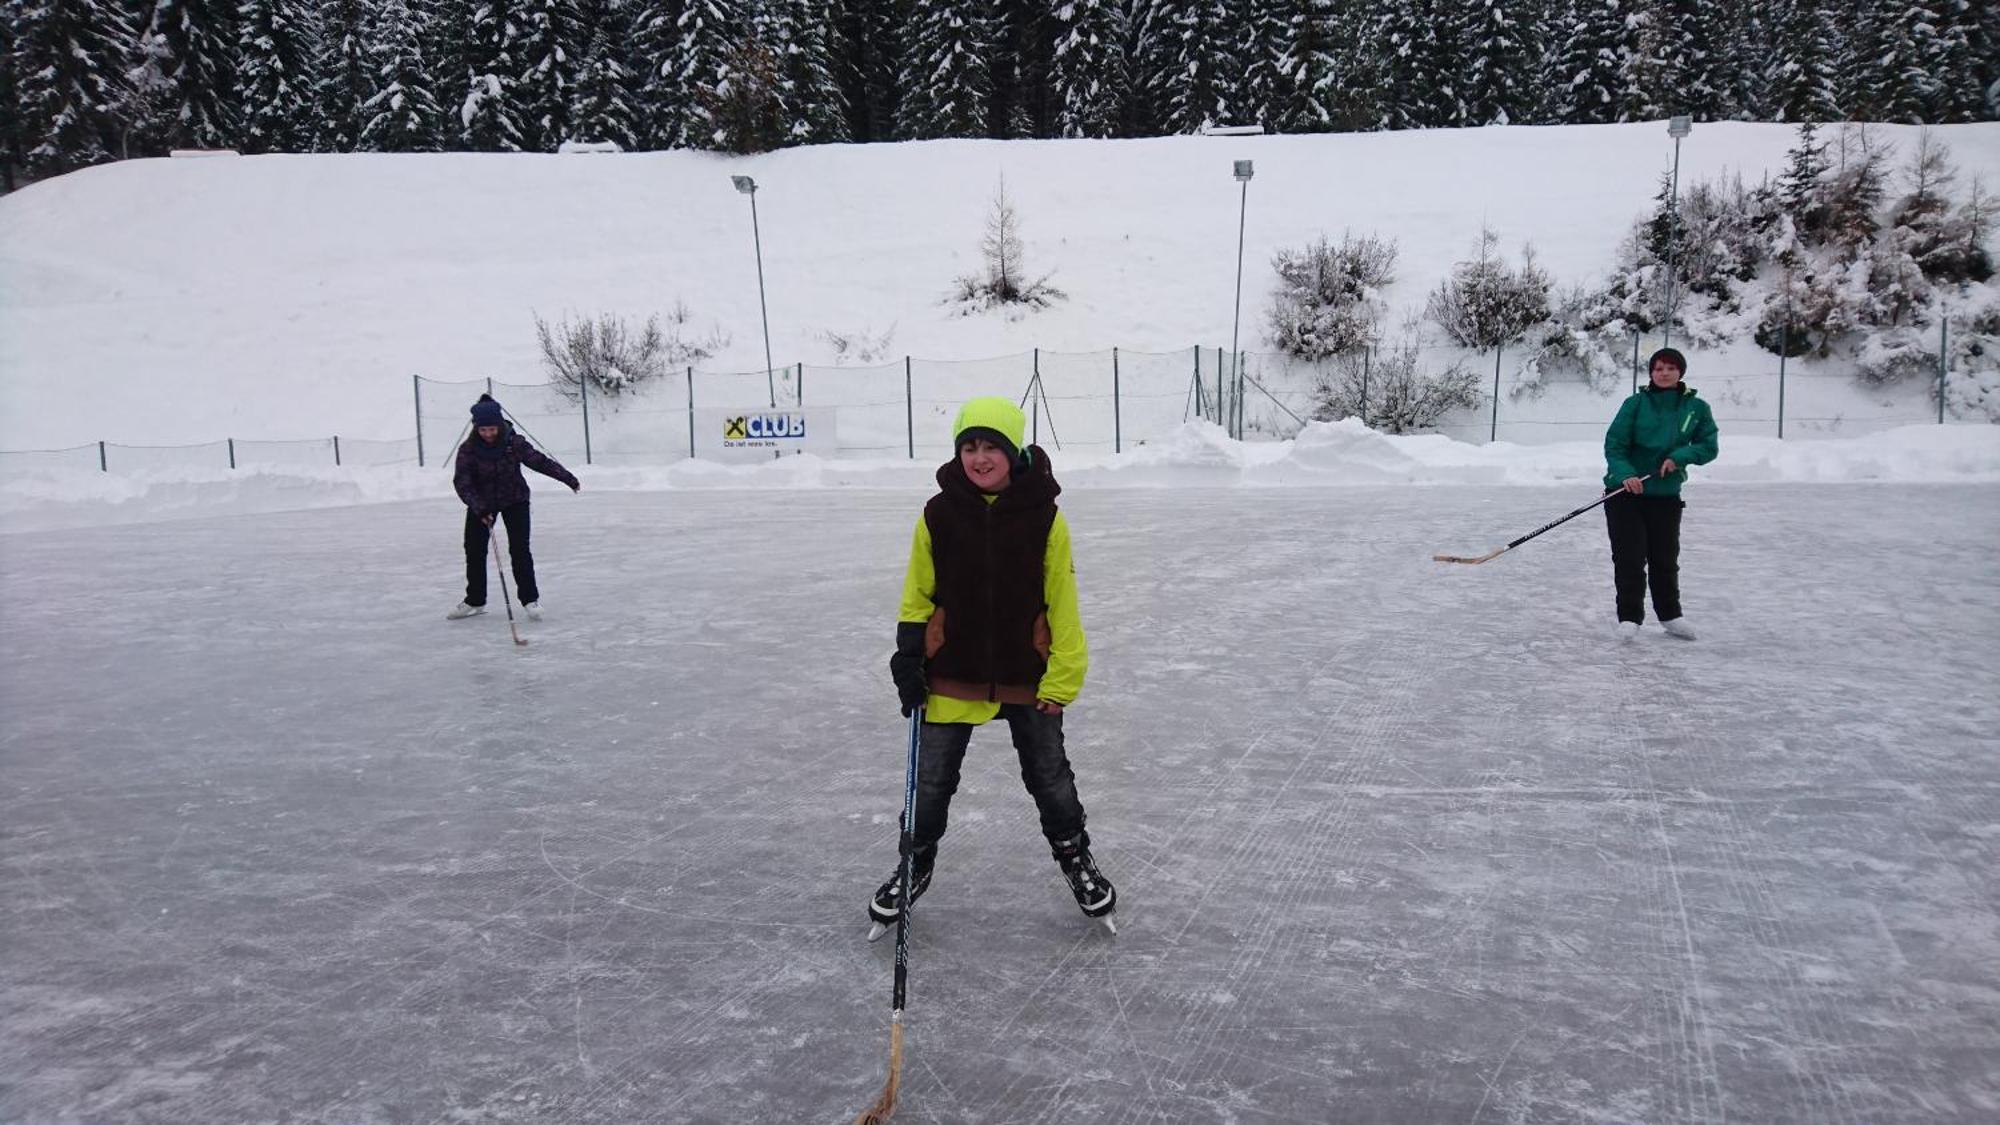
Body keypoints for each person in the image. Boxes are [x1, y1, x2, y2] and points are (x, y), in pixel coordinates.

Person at [869, 396, 1117, 933]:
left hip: (1028, 673)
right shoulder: (938, 513)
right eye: (969, 447)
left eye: (991, 447)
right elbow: (917, 593)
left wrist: (1064, 674)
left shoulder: (1045, 516)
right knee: (930, 780)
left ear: (1013, 451)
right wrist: (909, 656)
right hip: (952, 670)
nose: (979, 458)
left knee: (1050, 776)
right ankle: (916, 861)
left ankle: (1076, 858)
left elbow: (1063, 602)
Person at [1603, 347, 1719, 642]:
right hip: (1625, 494)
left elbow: (1708, 446)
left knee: (1665, 558)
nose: (1664, 373)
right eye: (1657, 368)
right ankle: (1629, 618)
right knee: (1630, 558)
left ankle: (1670, 615)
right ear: (1651, 373)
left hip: (1665, 495)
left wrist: (1681, 456)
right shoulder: (1635, 404)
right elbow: (1615, 445)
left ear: (1680, 371)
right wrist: (1625, 475)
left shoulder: (1696, 408)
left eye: (1670, 367)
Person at [448, 394, 579, 622]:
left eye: (492, 429)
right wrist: (479, 508)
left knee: (520, 550)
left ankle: (530, 600)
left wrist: (567, 478)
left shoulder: (513, 443)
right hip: (482, 503)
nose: (488, 434)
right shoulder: (468, 449)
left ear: (499, 425)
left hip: (515, 499)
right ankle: (475, 599)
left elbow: (539, 461)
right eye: (483, 430)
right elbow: (462, 482)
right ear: (476, 428)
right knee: (474, 549)